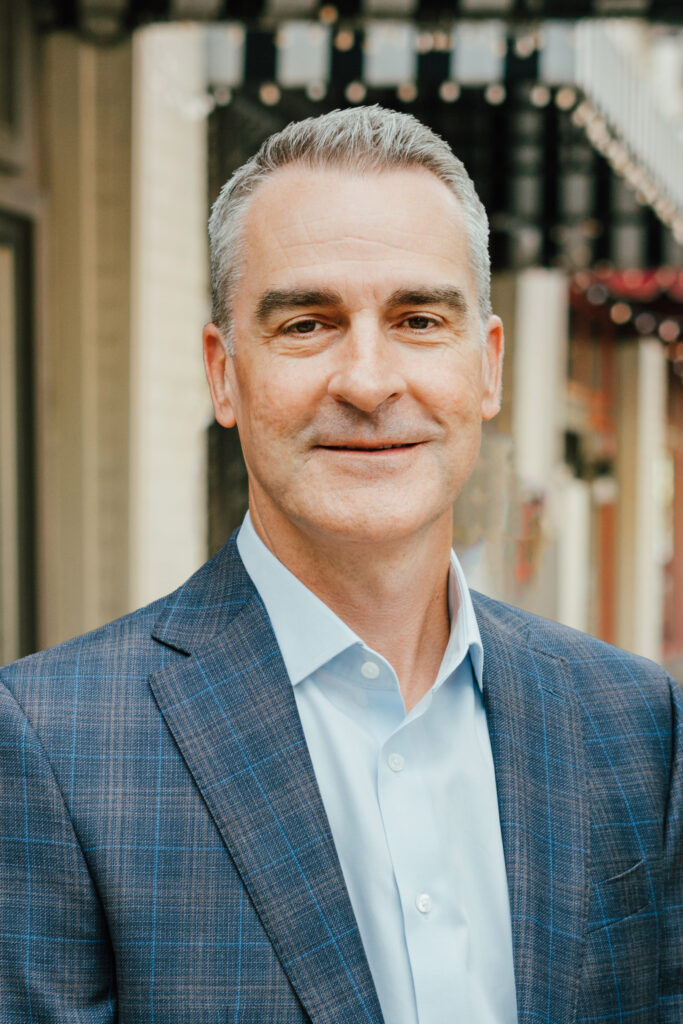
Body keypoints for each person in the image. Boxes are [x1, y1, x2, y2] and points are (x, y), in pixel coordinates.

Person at [0, 105, 680, 1024]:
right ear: (224, 373)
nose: (367, 381)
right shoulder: (54, 745)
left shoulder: (634, 724)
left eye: (418, 318)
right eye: (308, 324)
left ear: (485, 367)